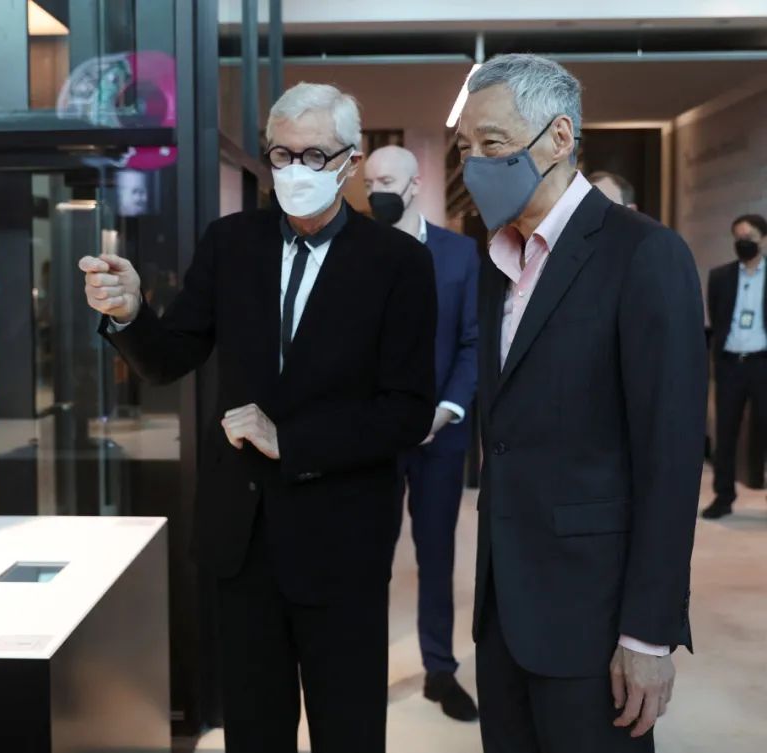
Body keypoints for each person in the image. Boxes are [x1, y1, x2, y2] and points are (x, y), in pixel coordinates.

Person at [80, 82, 437, 752]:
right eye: (282, 154)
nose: (296, 170)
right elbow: (171, 355)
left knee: (349, 730)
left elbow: (408, 411)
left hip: (341, 543)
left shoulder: (398, 262)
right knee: (253, 731)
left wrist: (290, 439)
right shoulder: (231, 242)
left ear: (351, 162)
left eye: (315, 155)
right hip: (241, 539)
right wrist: (130, 314)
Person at [456, 54, 706, 753]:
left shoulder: (643, 253)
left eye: (493, 144)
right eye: (466, 148)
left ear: (559, 137)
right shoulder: (496, 261)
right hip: (503, 613)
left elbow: (670, 457)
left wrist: (647, 633)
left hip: (594, 620)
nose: (475, 164)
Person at [364, 145, 481, 722]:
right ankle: (361, 672)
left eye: (386, 180)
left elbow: (473, 341)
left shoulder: (460, 254)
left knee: (436, 557)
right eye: (368, 182)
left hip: (441, 436)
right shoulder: (351, 251)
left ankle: (439, 669)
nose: (375, 191)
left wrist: (447, 410)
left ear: (415, 184)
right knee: (368, 559)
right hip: (371, 440)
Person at [703, 214, 767, 519]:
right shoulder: (720, 277)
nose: (743, 243)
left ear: (763, 239)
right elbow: (717, 319)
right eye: (738, 237)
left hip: (763, 363)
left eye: (749, 237)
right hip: (730, 365)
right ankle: (723, 496)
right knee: (725, 432)